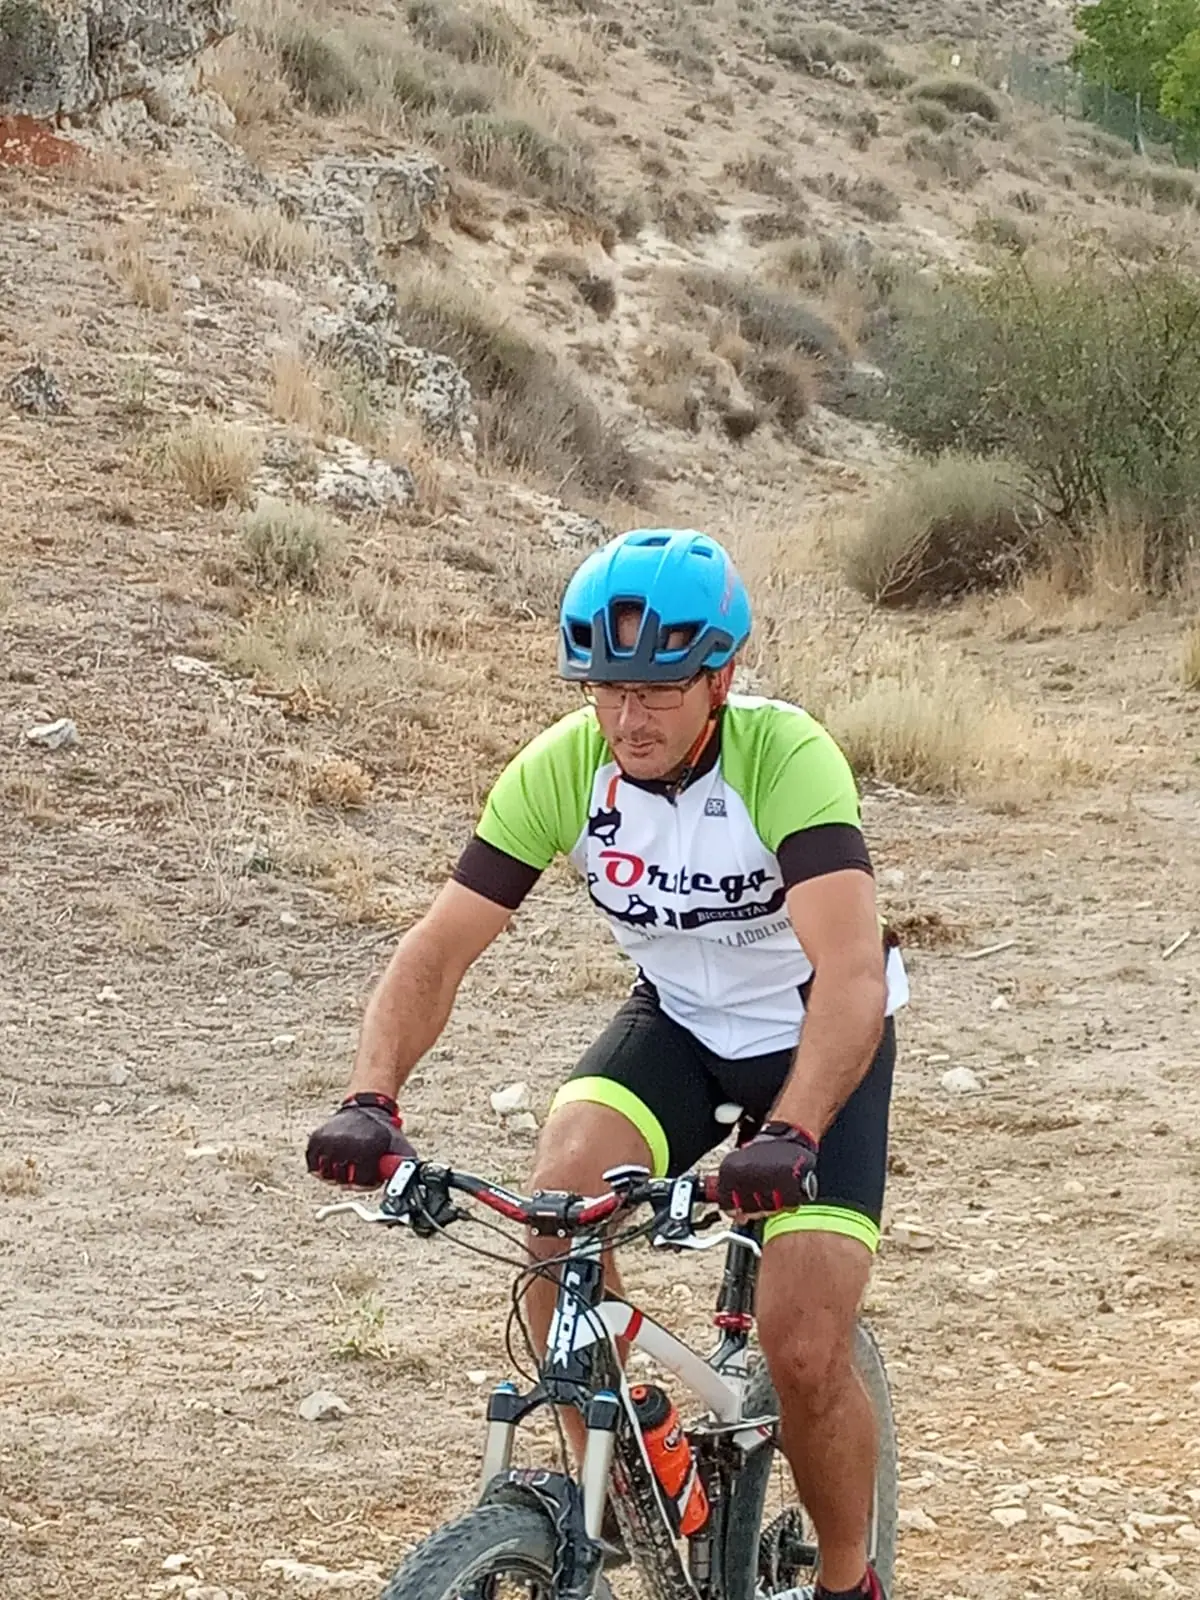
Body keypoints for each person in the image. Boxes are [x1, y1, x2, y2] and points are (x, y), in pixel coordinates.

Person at [306, 528, 908, 1600]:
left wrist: (794, 1129)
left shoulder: (787, 758)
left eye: (660, 691)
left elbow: (853, 978)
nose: (628, 719)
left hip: (816, 1038)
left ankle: (851, 1580)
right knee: (555, 1209)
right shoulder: (567, 769)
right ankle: (628, 1456)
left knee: (806, 1345)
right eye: (606, 688)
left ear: (721, 676)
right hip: (679, 1023)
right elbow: (438, 948)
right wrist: (370, 1097)